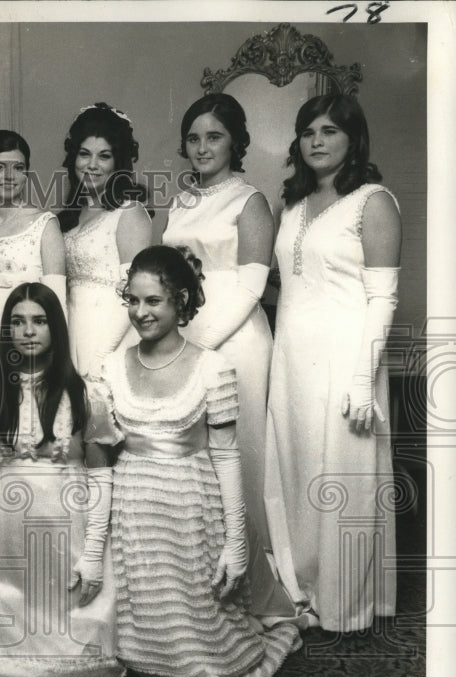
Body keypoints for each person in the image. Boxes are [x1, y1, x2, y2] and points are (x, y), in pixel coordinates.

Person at [87, 245, 300, 677]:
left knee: (199, 662)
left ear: (181, 301)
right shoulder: (109, 368)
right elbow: (100, 461)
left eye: (153, 301)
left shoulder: (214, 367)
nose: (140, 312)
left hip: (191, 510)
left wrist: (237, 541)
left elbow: (225, 455)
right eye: (132, 300)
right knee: (137, 641)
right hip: (133, 512)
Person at [265, 95, 401, 632]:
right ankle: (301, 586)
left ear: (353, 139)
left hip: (348, 356)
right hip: (292, 355)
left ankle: (344, 600)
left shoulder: (373, 201)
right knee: (297, 468)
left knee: (341, 473)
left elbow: (383, 298)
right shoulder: (292, 205)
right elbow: (290, 281)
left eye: (329, 131)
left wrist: (363, 379)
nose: (316, 141)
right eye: (307, 132)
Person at [161, 94, 295, 620]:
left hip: (235, 338)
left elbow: (250, 289)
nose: (201, 147)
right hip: (186, 335)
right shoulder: (181, 201)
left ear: (235, 142)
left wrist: (198, 346)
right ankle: (199, 576)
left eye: (213, 136)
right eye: (193, 138)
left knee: (238, 453)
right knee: (194, 457)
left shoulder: (251, 201)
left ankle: (252, 575)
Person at [0, 283, 124, 677]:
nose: (28, 331)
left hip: (67, 532)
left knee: (65, 613)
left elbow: (100, 472)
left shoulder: (84, 394)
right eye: (17, 322)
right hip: (4, 535)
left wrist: (95, 551)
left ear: (55, 329)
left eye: (39, 321)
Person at [58, 103, 152, 379]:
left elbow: (135, 293)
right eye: (84, 154)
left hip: (112, 336)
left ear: (118, 162)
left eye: (104, 156)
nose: (92, 165)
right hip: (73, 332)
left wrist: (102, 356)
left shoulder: (129, 213)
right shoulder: (70, 217)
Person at [0, 130, 67, 340]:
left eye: (18, 168)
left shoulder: (44, 225)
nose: (10, 176)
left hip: (32, 341)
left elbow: (57, 303)